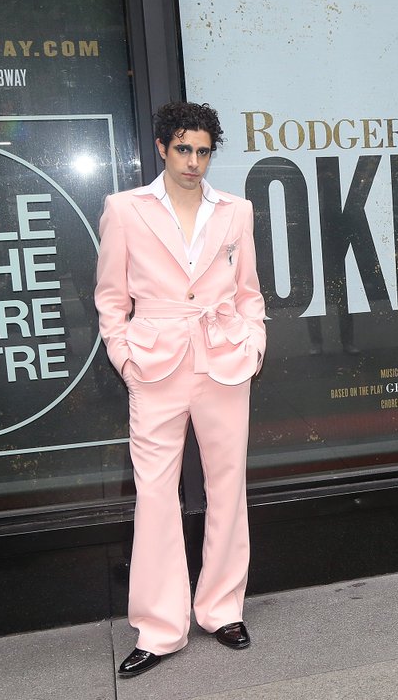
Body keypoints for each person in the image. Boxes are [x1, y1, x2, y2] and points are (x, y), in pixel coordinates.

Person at [95, 102, 266, 676]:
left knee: (227, 487)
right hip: (154, 364)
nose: (194, 161)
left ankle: (222, 610)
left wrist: (253, 340)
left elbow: (248, 290)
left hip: (223, 361)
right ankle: (160, 628)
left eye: (203, 150)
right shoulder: (125, 209)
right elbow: (110, 298)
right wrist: (123, 354)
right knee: (155, 496)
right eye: (184, 149)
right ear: (164, 148)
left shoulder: (235, 210)